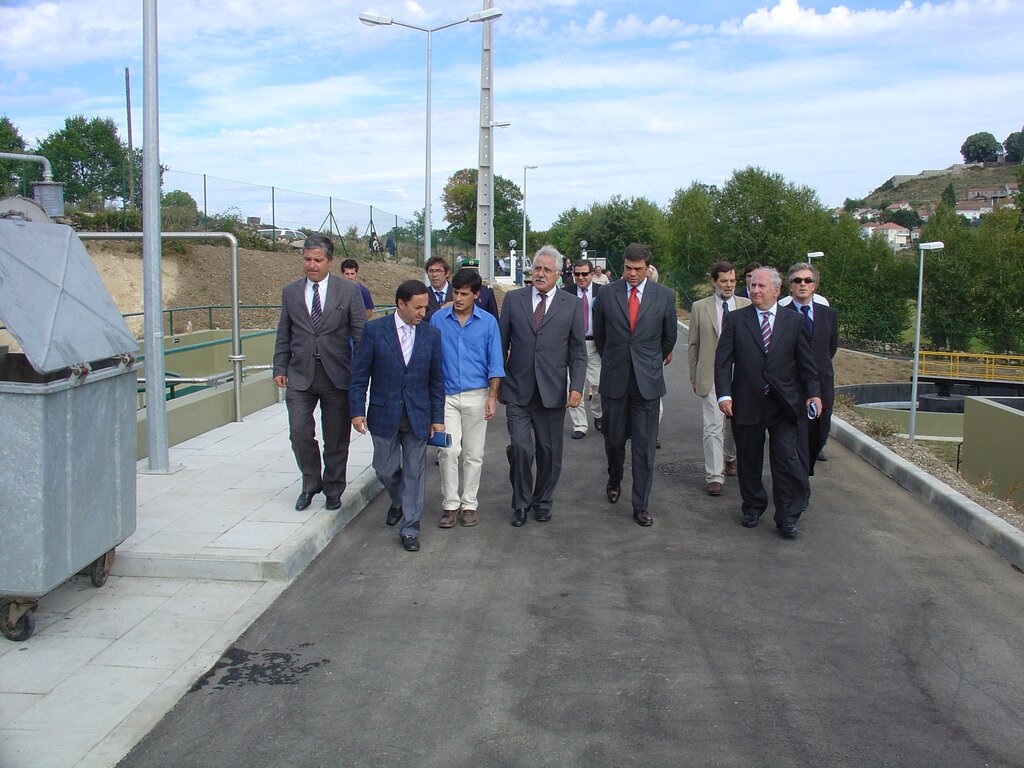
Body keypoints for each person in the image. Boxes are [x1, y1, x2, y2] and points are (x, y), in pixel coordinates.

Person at [714, 267, 821, 540]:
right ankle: (752, 506)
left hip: (784, 404)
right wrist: (724, 395)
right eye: (752, 286)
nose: (755, 291)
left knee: (785, 460)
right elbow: (723, 361)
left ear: (776, 290)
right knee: (749, 459)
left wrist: (813, 393)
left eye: (761, 286)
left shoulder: (793, 322)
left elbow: (807, 364)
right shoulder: (737, 320)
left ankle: (787, 516)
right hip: (747, 401)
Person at [349, 280, 445, 552]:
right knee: (385, 469)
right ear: (400, 304)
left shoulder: (431, 335)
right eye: (417, 307)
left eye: (425, 307)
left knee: (415, 472)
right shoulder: (374, 330)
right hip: (383, 413)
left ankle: (411, 528)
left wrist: (436, 417)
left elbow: (437, 379)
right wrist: (357, 410)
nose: (423, 313)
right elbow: (359, 375)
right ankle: (400, 500)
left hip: (418, 416)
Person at [273, 234, 366, 512]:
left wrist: (360, 374)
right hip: (300, 374)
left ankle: (334, 487)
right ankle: (310, 482)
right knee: (299, 432)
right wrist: (279, 366)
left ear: (329, 261)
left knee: (336, 436)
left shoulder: (348, 291)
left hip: (337, 374)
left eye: (317, 260)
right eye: (307, 259)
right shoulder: (290, 292)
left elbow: (360, 334)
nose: (311, 265)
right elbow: (284, 331)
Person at [499, 245, 587, 527]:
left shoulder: (571, 305)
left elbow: (577, 351)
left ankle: (543, 500)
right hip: (517, 389)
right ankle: (521, 503)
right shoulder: (514, 300)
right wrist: (496, 385)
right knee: (522, 448)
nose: (540, 274)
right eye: (537, 268)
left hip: (553, 391)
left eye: (547, 270)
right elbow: (501, 345)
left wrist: (576, 387)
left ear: (558, 274)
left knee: (549, 453)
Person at [594, 243, 678, 527]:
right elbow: (601, 336)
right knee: (614, 440)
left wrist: (648, 360)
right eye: (628, 268)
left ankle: (641, 504)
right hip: (615, 379)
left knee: (644, 447)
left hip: (648, 383)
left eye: (638, 269)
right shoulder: (606, 295)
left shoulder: (664, 296)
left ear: (648, 268)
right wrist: (616, 359)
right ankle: (614, 477)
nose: (632, 274)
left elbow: (669, 338)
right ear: (623, 265)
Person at [430, 268, 505, 528]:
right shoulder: (439, 320)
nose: (458, 298)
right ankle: (450, 504)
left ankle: (469, 504)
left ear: (476, 294)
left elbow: (495, 361)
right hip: (446, 397)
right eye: (455, 293)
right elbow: (430, 359)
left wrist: (492, 396)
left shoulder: (488, 323)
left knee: (474, 453)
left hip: (476, 394)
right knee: (448, 451)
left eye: (464, 294)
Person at [687, 261, 751, 497]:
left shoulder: (746, 305)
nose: (729, 285)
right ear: (714, 281)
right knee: (713, 426)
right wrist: (694, 375)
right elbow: (693, 344)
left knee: (736, 424)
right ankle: (714, 476)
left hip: (741, 376)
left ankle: (730, 457)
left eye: (732, 281)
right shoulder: (699, 307)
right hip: (711, 374)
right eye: (724, 281)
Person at [784, 261, 838, 483]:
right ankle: (798, 482)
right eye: (797, 281)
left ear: (815, 285)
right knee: (796, 437)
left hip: (822, 385)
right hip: (793, 386)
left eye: (808, 280)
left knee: (819, 434)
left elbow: (830, 347)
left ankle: (807, 469)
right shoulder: (782, 314)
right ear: (790, 286)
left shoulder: (828, 315)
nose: (803, 284)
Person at [562, 258, 603, 439]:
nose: (580, 277)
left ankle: (599, 414)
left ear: (592, 274)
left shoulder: (603, 293)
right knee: (574, 385)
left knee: (599, 384)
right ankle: (579, 425)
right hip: (572, 345)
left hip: (595, 344)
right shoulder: (565, 293)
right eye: (577, 274)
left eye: (584, 274)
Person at [424, 256, 453, 322]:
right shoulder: (423, 294)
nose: (434, 275)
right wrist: (442, 308)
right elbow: (422, 318)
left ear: (447, 273)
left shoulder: (457, 293)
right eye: (431, 271)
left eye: (438, 271)